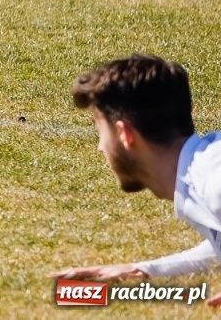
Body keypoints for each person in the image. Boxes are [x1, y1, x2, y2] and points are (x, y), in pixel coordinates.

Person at [52, 54, 221, 302]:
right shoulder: (201, 175)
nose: (100, 148)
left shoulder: (212, 179)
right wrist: (145, 270)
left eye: (100, 132)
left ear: (125, 134)